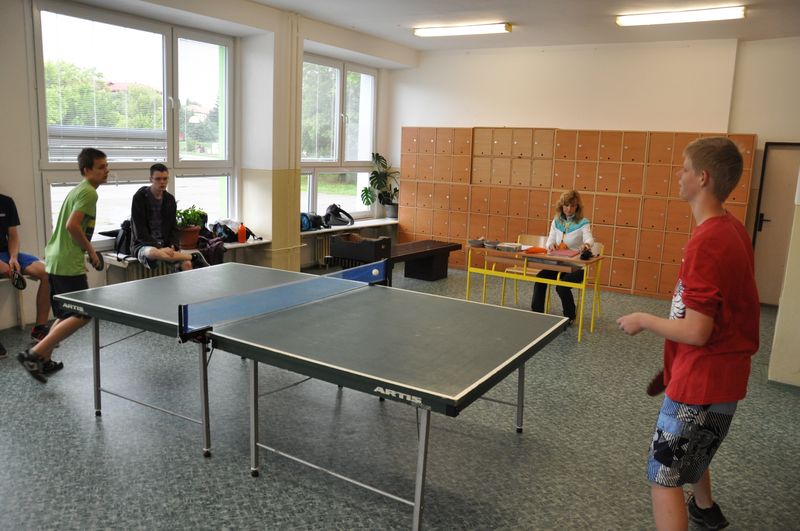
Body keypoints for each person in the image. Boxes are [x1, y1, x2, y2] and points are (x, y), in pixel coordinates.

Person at [617, 137, 759, 531]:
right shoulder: (731, 228)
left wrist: (643, 319)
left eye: (684, 168)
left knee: (663, 477)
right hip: (724, 382)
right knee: (694, 452)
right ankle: (704, 507)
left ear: (703, 177)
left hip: (699, 384)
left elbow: (697, 331)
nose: (678, 175)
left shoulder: (707, 241)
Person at [16, 148, 109, 382]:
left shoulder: (79, 189)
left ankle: (44, 360)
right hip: (66, 261)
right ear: (87, 170)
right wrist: (90, 251)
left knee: (66, 314)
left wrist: (81, 254)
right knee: (83, 313)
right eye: (101, 167)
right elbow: (72, 226)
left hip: (57, 258)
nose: (106, 171)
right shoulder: (89, 193)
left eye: (106, 166)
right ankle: (33, 354)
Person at [531, 190, 594, 324]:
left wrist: (587, 245)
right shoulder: (556, 221)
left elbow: (589, 238)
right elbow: (550, 240)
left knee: (561, 286)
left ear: (577, 207)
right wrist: (551, 245)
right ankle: (536, 313)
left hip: (577, 267)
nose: (569, 209)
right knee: (540, 278)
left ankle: (569, 317)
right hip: (559, 264)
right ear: (561, 206)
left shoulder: (583, 222)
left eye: (572, 206)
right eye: (566, 205)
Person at [130, 163, 208, 271]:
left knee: (187, 264)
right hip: (144, 245)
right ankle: (193, 257)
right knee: (153, 252)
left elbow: (173, 227)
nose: (162, 182)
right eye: (158, 179)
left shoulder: (169, 199)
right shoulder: (139, 198)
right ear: (151, 179)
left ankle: (189, 261)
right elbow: (140, 232)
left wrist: (173, 245)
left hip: (166, 245)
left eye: (165, 179)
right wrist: (159, 248)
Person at [0, 194, 51, 342]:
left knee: (48, 273)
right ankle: (10, 272)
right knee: (5, 269)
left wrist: (13, 257)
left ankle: (39, 329)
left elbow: (13, 235)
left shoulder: (6, 202)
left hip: (6, 253)